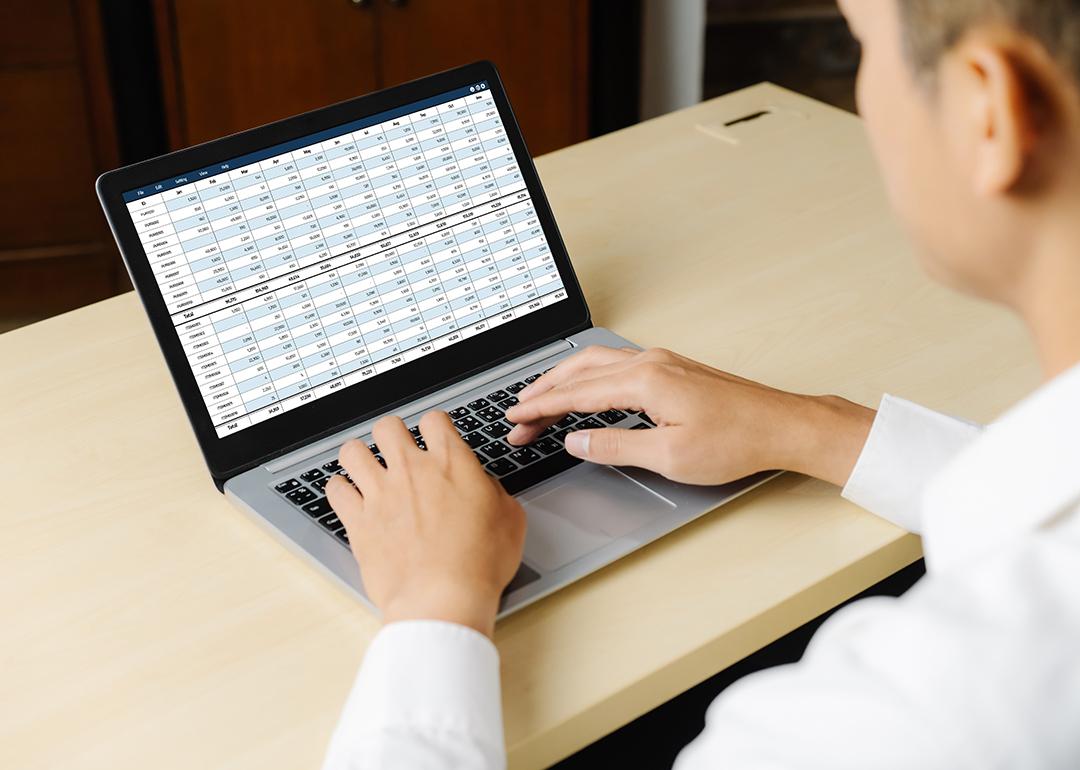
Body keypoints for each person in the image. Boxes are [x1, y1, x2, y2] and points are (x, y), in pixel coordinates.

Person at [322, 0, 1080, 766]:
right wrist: (813, 427)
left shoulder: (908, 723)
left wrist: (434, 605)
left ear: (991, 112)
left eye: (862, 47)